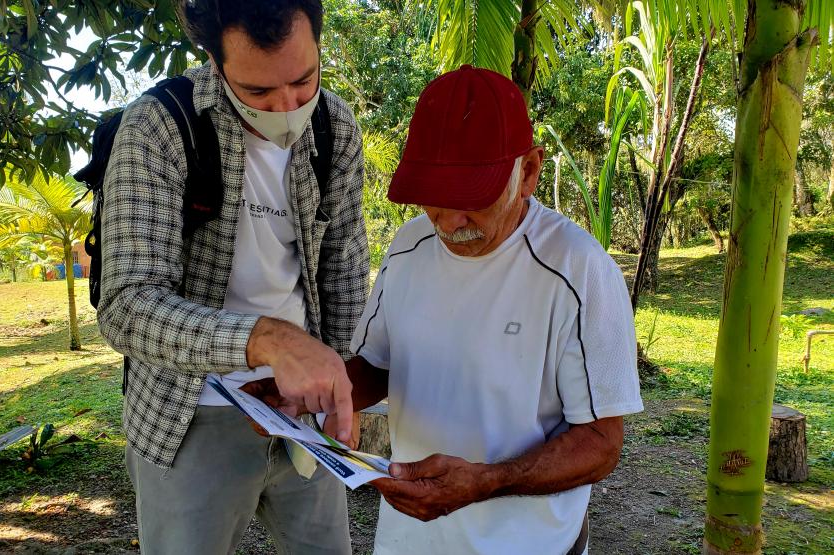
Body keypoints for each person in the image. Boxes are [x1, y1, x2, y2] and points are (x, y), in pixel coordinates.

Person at [252, 64, 644, 554]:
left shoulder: (577, 270)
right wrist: (312, 397)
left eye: (472, 199)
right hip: (409, 539)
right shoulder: (409, 245)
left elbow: (602, 443)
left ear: (529, 172)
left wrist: (488, 481)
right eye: (434, 200)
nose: (449, 222)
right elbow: (377, 364)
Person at [95, 1, 368, 553]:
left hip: (302, 419)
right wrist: (267, 340)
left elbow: (343, 273)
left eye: (303, 79)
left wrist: (343, 388)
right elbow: (126, 304)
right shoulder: (159, 127)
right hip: (187, 416)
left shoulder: (335, 126)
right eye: (258, 93)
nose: (287, 107)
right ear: (216, 64)